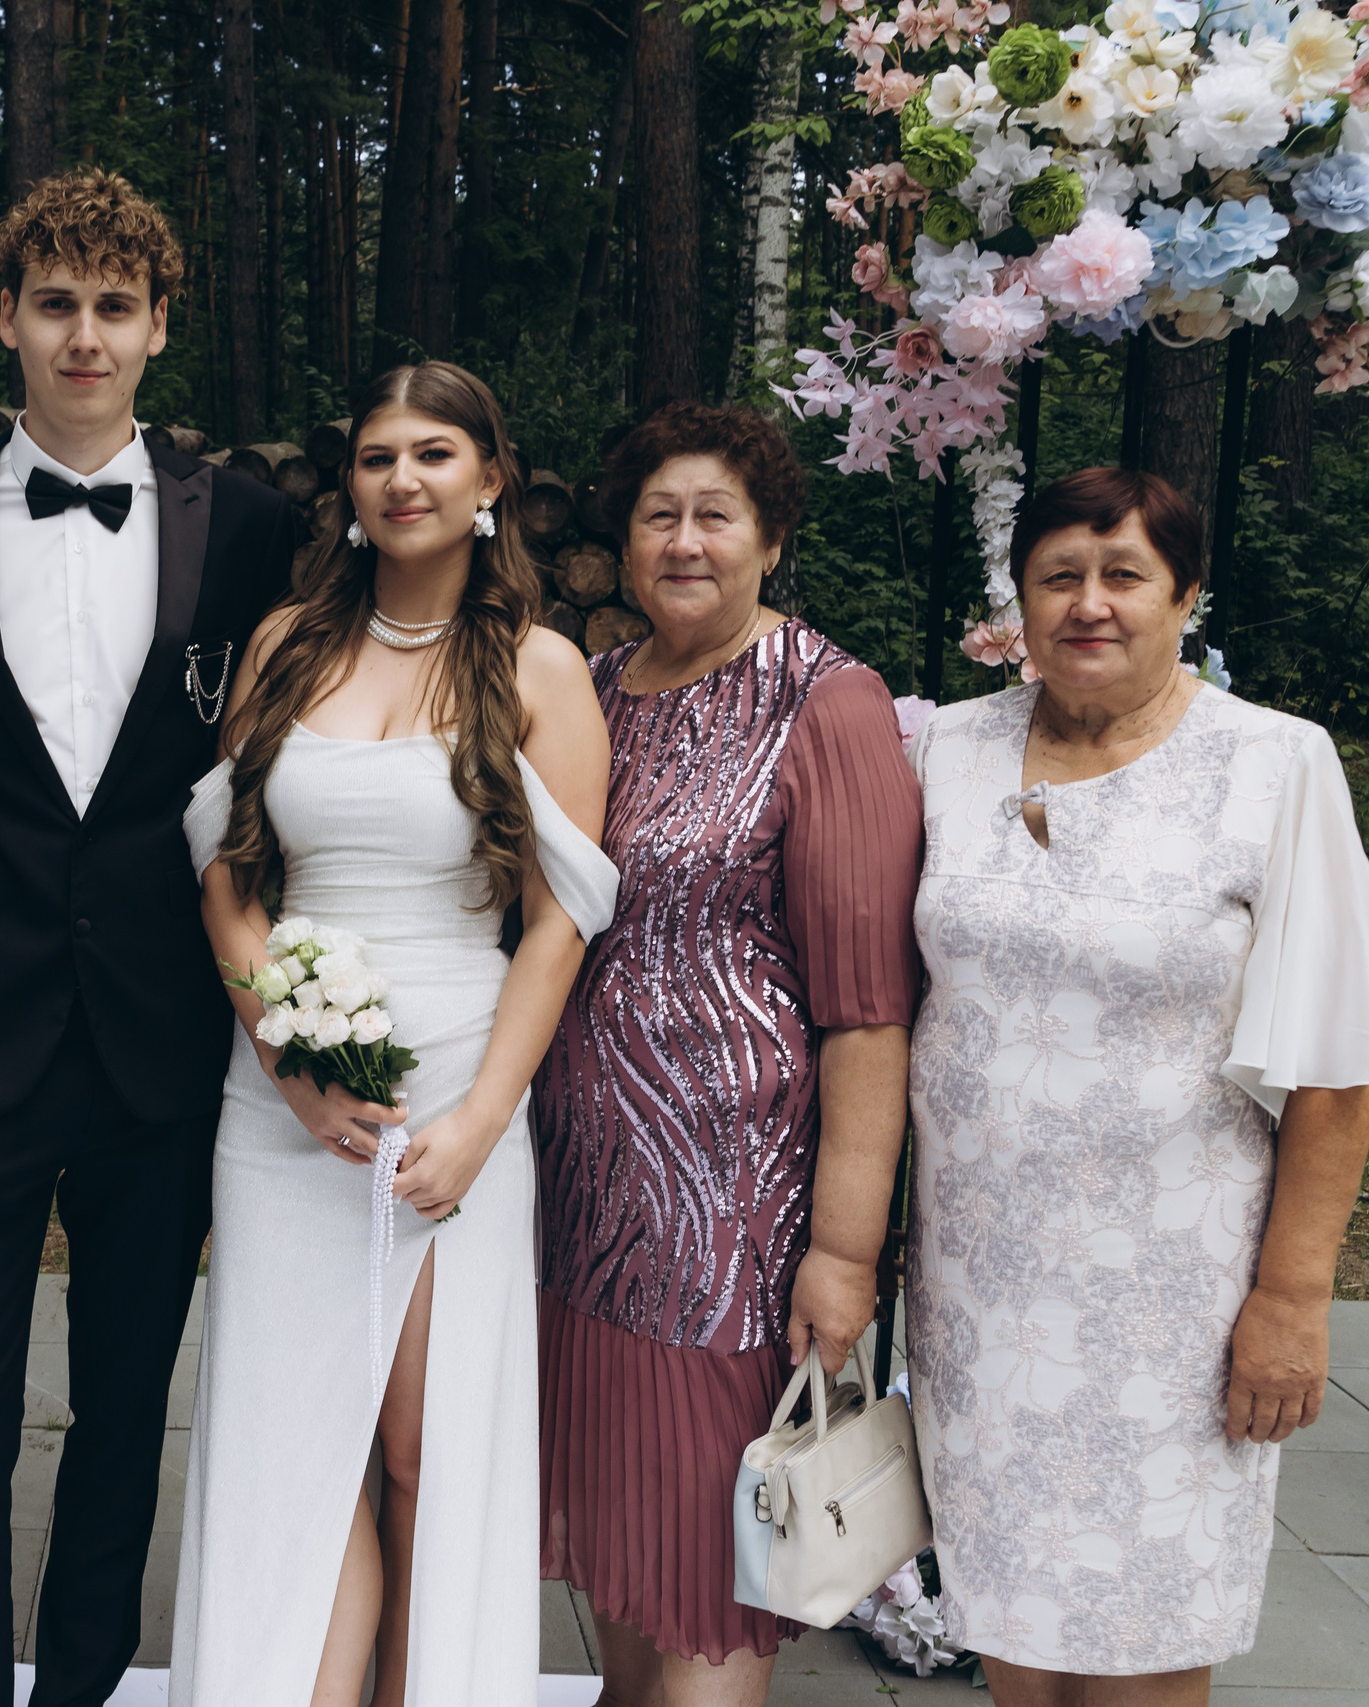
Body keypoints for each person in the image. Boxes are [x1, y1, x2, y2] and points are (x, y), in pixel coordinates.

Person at [0, 168, 300, 1707]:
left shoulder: (247, 527)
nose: (85, 336)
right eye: (56, 303)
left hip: (157, 1032)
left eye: (114, 307)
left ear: (158, 324)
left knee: (127, 1402)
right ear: (7, 319)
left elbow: (273, 758)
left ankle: (85, 1683)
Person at [906, 468, 1369, 1707]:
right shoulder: (951, 750)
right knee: (1012, 1621)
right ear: (1021, 601)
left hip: (1175, 1298)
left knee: (1145, 1634)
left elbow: (1335, 1061)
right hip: (981, 1289)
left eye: (1123, 576)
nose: (1089, 605)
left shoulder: (1273, 763)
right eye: (1059, 578)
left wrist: (1292, 1297)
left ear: (1184, 597)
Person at [172, 359, 619, 1707]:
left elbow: (560, 919)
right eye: (378, 456)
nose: (405, 478)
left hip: (456, 1091)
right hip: (283, 1111)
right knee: (303, 1438)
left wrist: (484, 1118)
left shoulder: (541, 667)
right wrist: (283, 1053)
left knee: (424, 1449)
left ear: (490, 479)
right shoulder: (287, 642)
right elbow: (226, 867)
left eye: (436, 453)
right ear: (351, 486)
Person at [530, 400, 923, 1707]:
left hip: (731, 1231)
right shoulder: (592, 691)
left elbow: (866, 1010)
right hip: (579, 1210)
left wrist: (846, 1249)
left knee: (710, 1598)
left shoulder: (829, 700)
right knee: (634, 1573)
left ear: (770, 535)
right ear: (624, 538)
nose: (685, 541)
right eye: (659, 515)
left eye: (715, 515)